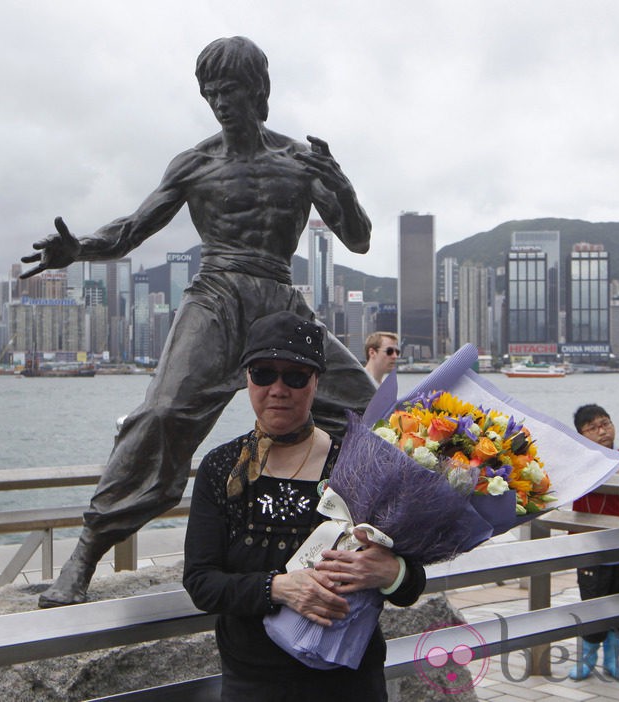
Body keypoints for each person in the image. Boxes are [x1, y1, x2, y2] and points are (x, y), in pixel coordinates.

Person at [21, 36, 377, 607]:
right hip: (216, 296)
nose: (219, 102)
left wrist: (342, 186)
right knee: (162, 414)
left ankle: (352, 535)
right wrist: (78, 249)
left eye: (229, 89)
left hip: (280, 300)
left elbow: (357, 240)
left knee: (369, 409)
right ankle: (87, 552)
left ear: (258, 90)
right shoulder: (194, 164)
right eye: (210, 92)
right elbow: (133, 230)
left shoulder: (300, 163)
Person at [183, 311, 425, 700]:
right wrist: (278, 587)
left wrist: (391, 572)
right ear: (247, 378)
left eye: (295, 376)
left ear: (316, 383)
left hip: (350, 679)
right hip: (253, 683)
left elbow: (410, 584)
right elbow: (201, 582)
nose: (278, 389)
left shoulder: (356, 463)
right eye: (263, 373)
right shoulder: (222, 468)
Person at [569, 404, 619, 681]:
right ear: (581, 435)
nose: (602, 431)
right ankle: (587, 659)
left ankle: (613, 659)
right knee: (591, 604)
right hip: (590, 547)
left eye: (606, 423)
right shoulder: (579, 462)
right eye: (593, 428)